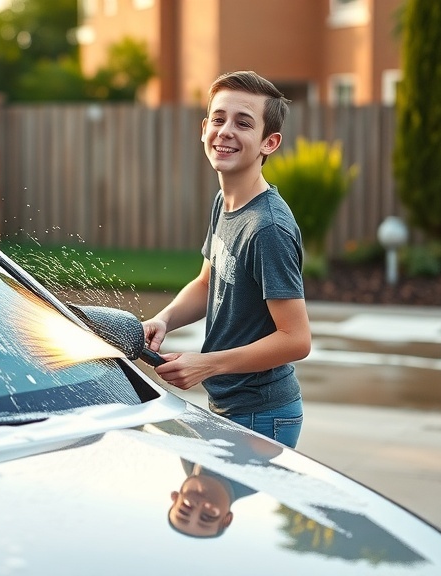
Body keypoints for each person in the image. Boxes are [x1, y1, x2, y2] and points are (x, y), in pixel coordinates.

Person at [142, 70, 311, 448]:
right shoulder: (227, 203)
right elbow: (207, 282)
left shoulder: (267, 229)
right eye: (218, 119)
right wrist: (164, 318)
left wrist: (207, 364)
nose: (226, 130)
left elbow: (296, 339)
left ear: (270, 142)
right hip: (229, 405)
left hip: (262, 414)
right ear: (204, 129)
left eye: (243, 123)